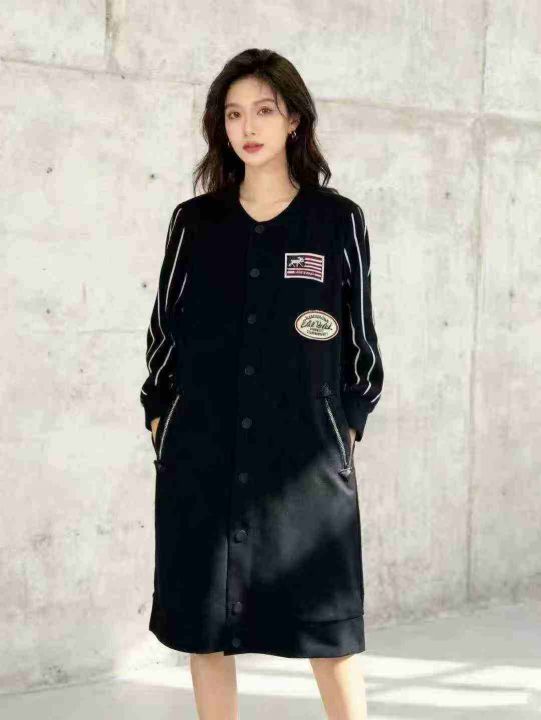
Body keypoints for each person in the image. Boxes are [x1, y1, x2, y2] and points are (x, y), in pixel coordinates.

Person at [140, 48, 384, 720]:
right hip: (202, 454)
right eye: (233, 114)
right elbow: (163, 333)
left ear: (294, 120)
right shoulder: (195, 223)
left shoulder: (337, 221)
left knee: (329, 629)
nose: (247, 127)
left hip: (305, 456)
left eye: (264, 110)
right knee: (205, 630)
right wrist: (161, 417)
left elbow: (361, 345)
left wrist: (347, 425)